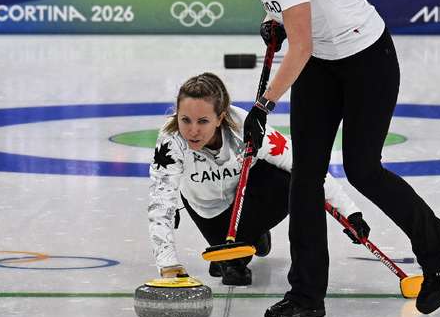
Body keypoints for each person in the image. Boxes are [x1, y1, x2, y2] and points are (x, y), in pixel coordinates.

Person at [190, 0, 440, 317]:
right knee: (305, 176)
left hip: (365, 60)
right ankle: (306, 294)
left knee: (363, 169)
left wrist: (263, 106)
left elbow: (299, 46)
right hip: (322, 61)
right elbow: (297, 20)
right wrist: (274, 22)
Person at [148, 72, 370, 286]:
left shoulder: (247, 126)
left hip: (248, 197)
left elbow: (303, 166)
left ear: (220, 118)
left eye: (203, 121)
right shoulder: (171, 141)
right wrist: (168, 263)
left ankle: (249, 236)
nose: (192, 130)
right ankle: (247, 243)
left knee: (288, 181)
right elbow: (161, 202)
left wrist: (350, 212)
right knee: (229, 267)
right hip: (208, 210)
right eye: (185, 119)